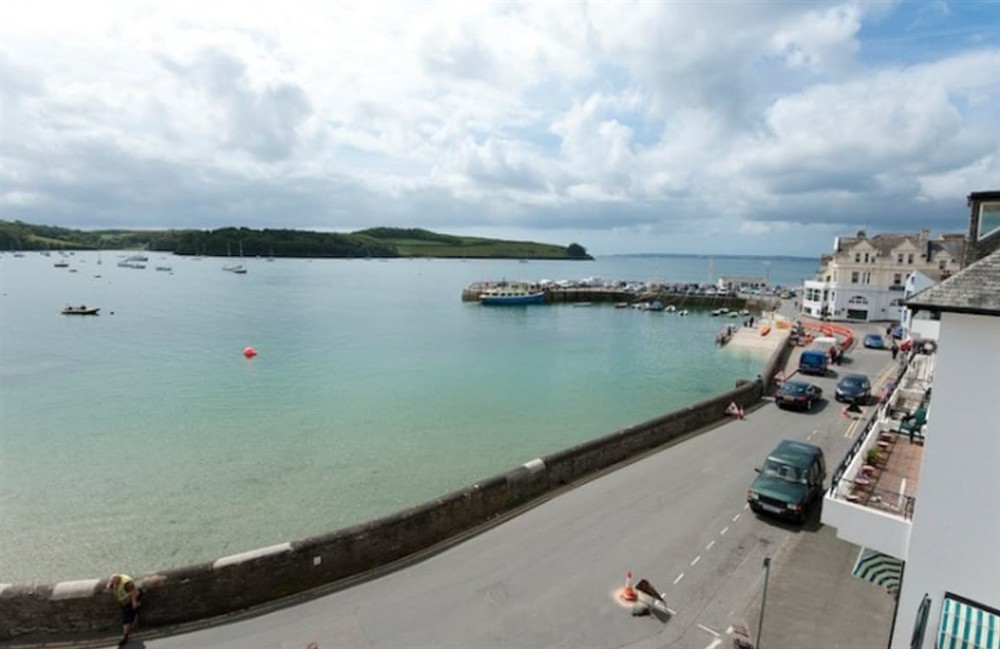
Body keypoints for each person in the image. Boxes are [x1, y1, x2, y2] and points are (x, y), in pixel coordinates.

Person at [106, 574, 141, 647]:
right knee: (130, 617)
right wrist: (111, 585)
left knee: (126, 620)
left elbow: (133, 591)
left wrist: (134, 602)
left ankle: (125, 637)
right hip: (123, 603)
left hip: (129, 601)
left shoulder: (126, 582)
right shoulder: (114, 581)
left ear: (118, 579)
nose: (114, 584)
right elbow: (108, 586)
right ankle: (136, 611)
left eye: (115, 582)